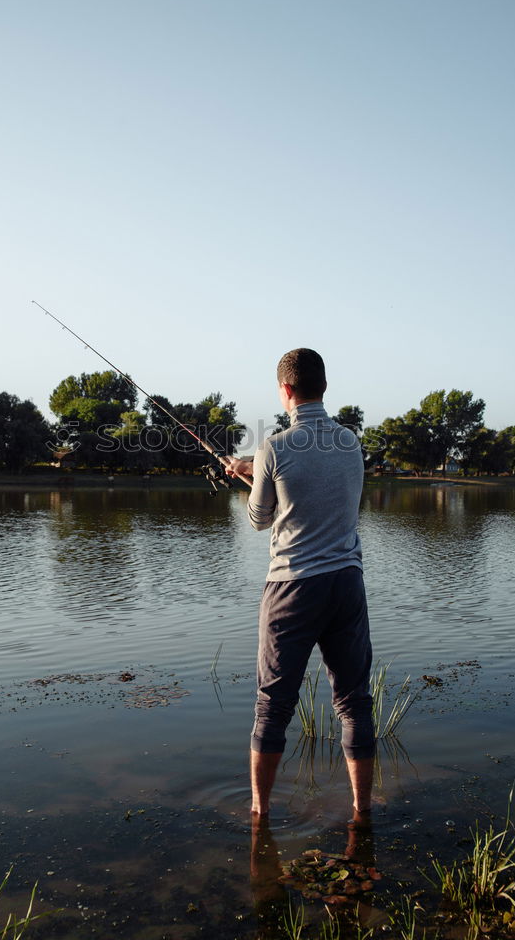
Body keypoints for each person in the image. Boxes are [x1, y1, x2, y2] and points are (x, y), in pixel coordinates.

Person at [226, 348, 375, 818]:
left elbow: (259, 519)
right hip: (346, 584)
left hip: (292, 587)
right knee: (354, 702)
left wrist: (251, 475)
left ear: (285, 390)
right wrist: (259, 470)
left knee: (272, 705)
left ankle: (259, 812)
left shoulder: (274, 447)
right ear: (323, 387)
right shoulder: (351, 443)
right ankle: (361, 810)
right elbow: (322, 488)